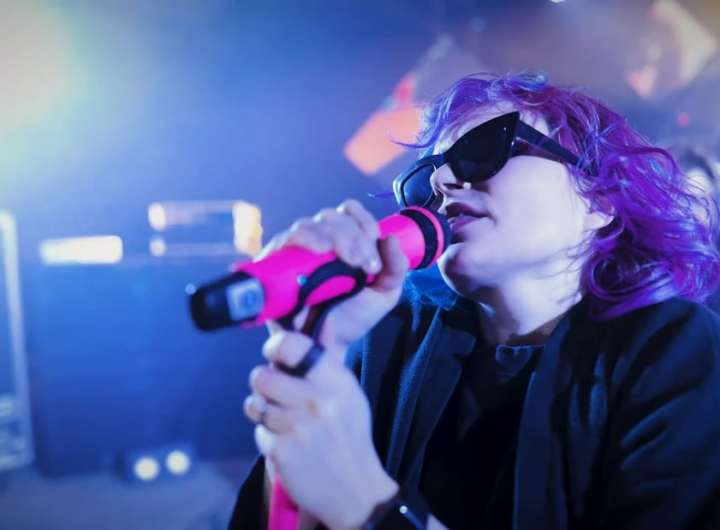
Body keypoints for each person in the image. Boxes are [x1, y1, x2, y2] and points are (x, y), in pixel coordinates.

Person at [229, 72, 720, 530]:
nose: (441, 184)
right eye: (424, 176)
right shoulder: (389, 337)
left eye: (485, 148)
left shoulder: (675, 350)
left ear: (599, 199)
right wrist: (316, 353)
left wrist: (370, 506)